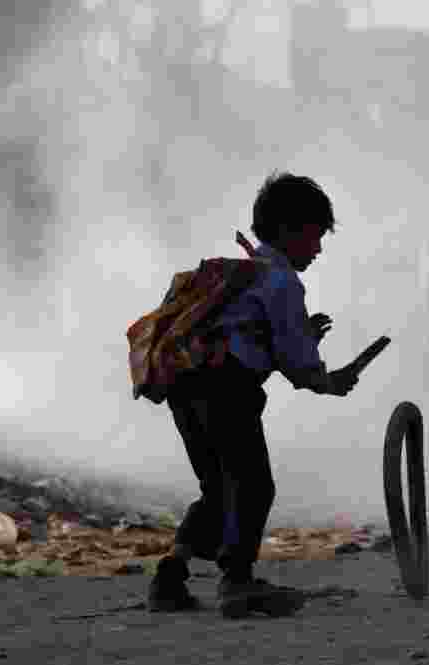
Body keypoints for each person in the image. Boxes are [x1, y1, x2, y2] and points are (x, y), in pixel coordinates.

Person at [148, 172, 360, 618]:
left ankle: (170, 577)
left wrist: (303, 343)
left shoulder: (243, 275)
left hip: (184, 388)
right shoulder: (280, 280)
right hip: (226, 390)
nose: (318, 249)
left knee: (218, 488)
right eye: (314, 236)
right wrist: (329, 380)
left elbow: (265, 340)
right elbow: (297, 363)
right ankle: (237, 583)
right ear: (287, 231)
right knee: (253, 486)